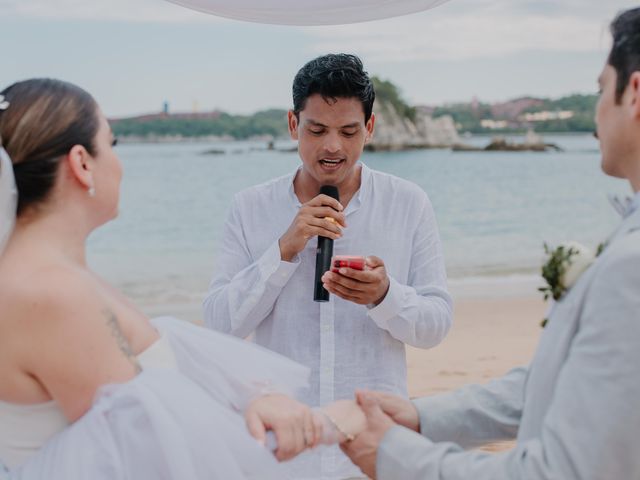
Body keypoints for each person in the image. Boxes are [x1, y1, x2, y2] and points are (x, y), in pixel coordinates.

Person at [0, 78, 366, 479]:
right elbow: (144, 455)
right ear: (82, 164)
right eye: (113, 144)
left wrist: (253, 402)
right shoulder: (50, 295)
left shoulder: (49, 279)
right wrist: (323, 425)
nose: (120, 164)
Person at [340, 7, 640, 479]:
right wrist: (424, 419)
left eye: (602, 89)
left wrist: (395, 456)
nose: (598, 110)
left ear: (635, 93)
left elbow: (560, 471)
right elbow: (558, 378)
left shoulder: (631, 268)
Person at [203, 53, 453, 479]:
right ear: (292, 124)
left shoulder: (408, 203)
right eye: (316, 130)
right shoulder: (250, 207)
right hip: (281, 446)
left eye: (348, 131)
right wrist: (283, 250)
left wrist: (385, 295)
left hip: (372, 442)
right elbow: (220, 325)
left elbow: (436, 325)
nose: (332, 146)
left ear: (370, 128)